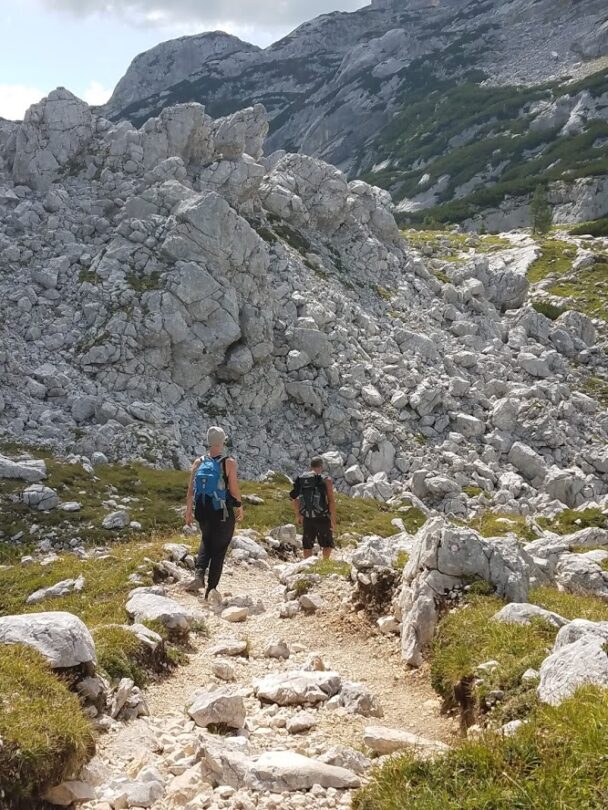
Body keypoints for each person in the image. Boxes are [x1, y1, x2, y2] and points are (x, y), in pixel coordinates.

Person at [185, 426, 244, 600]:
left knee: (206, 539)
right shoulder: (228, 462)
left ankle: (198, 576)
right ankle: (211, 589)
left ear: (208, 441)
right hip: (222, 512)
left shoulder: (199, 462)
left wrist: (188, 511)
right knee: (219, 548)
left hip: (202, 510)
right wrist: (239, 505)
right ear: (222, 441)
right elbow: (233, 488)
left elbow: (191, 490)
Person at [289, 456, 337, 559]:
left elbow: (295, 499)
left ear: (310, 466)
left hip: (307, 516)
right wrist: (333, 520)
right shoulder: (326, 480)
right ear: (321, 467)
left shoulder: (301, 479)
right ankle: (325, 563)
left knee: (307, 545)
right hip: (323, 517)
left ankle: (307, 563)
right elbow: (331, 501)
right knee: (327, 544)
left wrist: (298, 515)